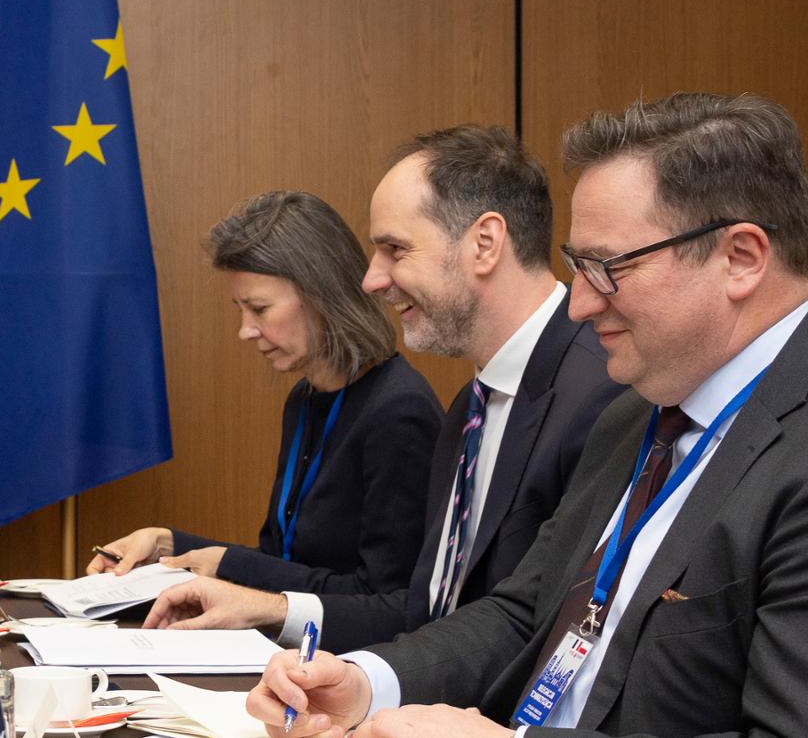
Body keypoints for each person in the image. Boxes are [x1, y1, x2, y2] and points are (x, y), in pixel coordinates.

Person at [255, 92, 808, 737]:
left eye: (606, 267)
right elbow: (526, 613)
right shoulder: (636, 416)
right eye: (579, 266)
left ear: (740, 258)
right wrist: (367, 682)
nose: (578, 305)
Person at [139, 127, 624, 652]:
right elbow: (428, 610)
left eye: (394, 249)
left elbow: (555, 636)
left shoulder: (604, 397)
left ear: (485, 244)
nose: (372, 280)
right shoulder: (472, 406)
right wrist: (269, 610)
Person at [91, 191, 442, 595]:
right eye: (241, 309)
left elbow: (386, 601)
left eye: (259, 309)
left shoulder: (399, 413)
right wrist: (169, 545)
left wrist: (227, 564)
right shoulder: (304, 399)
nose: (246, 330)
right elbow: (284, 563)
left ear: (321, 298)